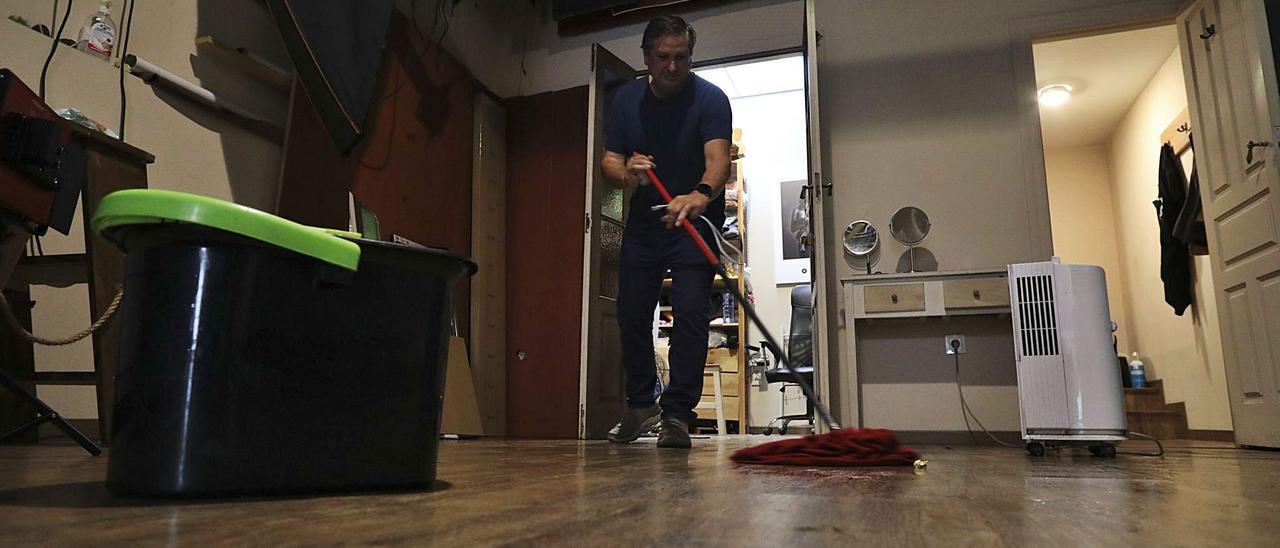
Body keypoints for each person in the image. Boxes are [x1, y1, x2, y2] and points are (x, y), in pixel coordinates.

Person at [599, 14, 732, 448]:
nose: (672, 67)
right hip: (646, 221)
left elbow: (718, 160)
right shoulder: (625, 101)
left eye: (681, 57)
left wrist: (699, 194)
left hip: (694, 221)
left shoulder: (711, 99)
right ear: (646, 57)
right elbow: (609, 162)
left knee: (692, 314)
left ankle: (676, 415)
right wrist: (628, 173)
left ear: (690, 56)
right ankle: (641, 405)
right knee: (632, 313)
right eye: (663, 57)